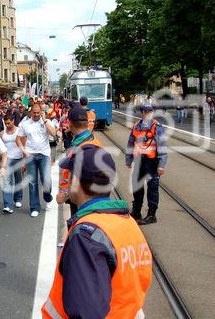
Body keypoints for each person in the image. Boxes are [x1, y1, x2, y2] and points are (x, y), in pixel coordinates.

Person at [42, 145, 152, 318]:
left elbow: (85, 312)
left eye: (68, 176)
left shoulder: (86, 235)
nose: (66, 180)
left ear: (76, 182)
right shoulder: (128, 223)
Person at [56, 106, 103, 216]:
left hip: (83, 203)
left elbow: (84, 180)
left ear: (70, 124)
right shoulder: (94, 142)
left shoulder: (82, 149)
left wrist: (65, 194)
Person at [126, 104, 168, 225]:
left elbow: (162, 147)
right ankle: (136, 211)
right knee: (137, 187)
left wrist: (161, 165)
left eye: (151, 111)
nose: (149, 113)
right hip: (139, 161)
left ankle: (151, 214)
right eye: (147, 111)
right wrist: (128, 160)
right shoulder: (136, 126)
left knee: (152, 188)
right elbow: (130, 143)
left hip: (151, 162)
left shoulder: (157, 127)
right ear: (142, 113)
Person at [16, 103, 57, 217]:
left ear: (41, 112)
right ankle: (34, 207)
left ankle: (47, 196)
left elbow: (54, 134)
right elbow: (18, 139)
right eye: (34, 112)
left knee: (46, 179)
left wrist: (44, 121)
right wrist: (24, 152)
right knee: (32, 182)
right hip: (31, 156)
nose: (36, 115)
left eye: (38, 113)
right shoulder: (25, 124)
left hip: (44, 155)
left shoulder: (46, 122)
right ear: (30, 112)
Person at [0, 114, 23, 213]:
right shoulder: (1, 133)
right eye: (5, 123)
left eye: (9, 123)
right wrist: (0, 162)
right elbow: (0, 148)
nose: (7, 125)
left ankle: (18, 199)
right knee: (6, 181)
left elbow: (24, 144)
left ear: (13, 121)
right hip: (7, 160)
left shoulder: (19, 131)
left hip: (18, 158)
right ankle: (8, 205)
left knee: (18, 180)